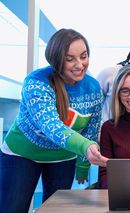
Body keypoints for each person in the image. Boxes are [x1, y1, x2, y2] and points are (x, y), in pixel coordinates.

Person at [0, 29, 108, 212]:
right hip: (22, 154)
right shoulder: (36, 82)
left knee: (56, 209)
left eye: (83, 56)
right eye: (70, 58)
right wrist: (85, 147)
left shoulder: (92, 87)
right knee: (13, 208)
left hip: (63, 156)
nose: (80, 65)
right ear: (56, 59)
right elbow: (52, 126)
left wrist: (83, 164)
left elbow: (91, 127)